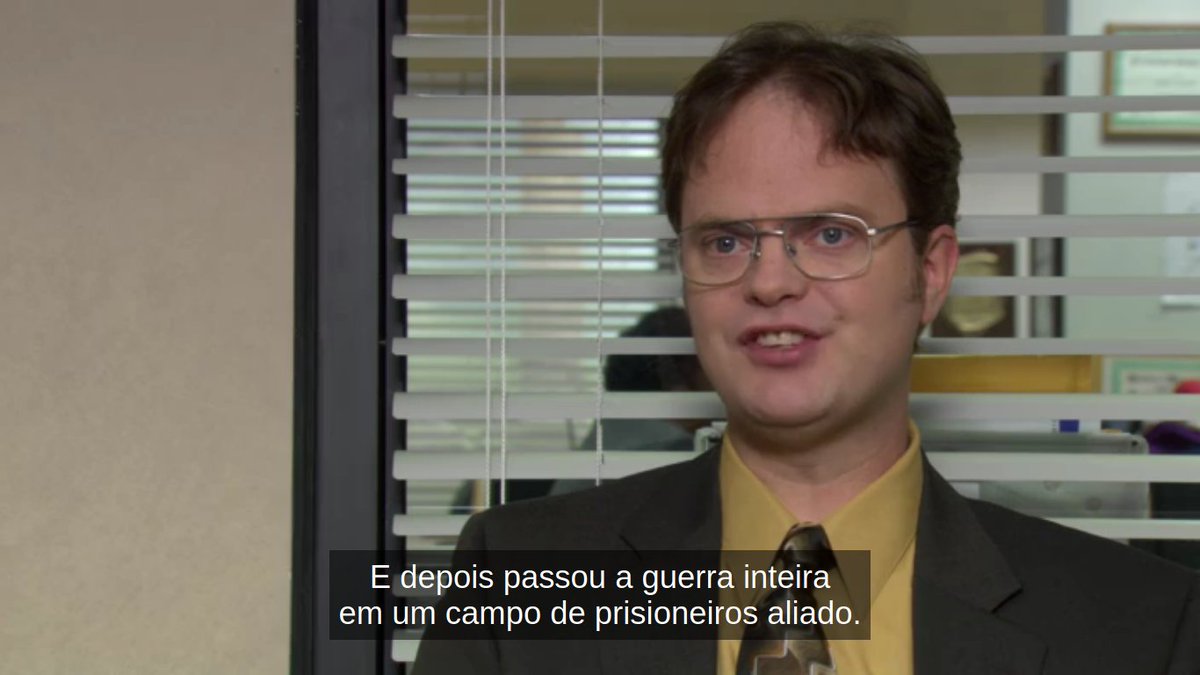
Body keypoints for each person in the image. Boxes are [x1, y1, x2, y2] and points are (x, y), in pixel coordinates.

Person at [412, 21, 1200, 674]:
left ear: (930, 274)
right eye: (725, 241)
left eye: (830, 233)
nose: (770, 281)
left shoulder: (1140, 626)